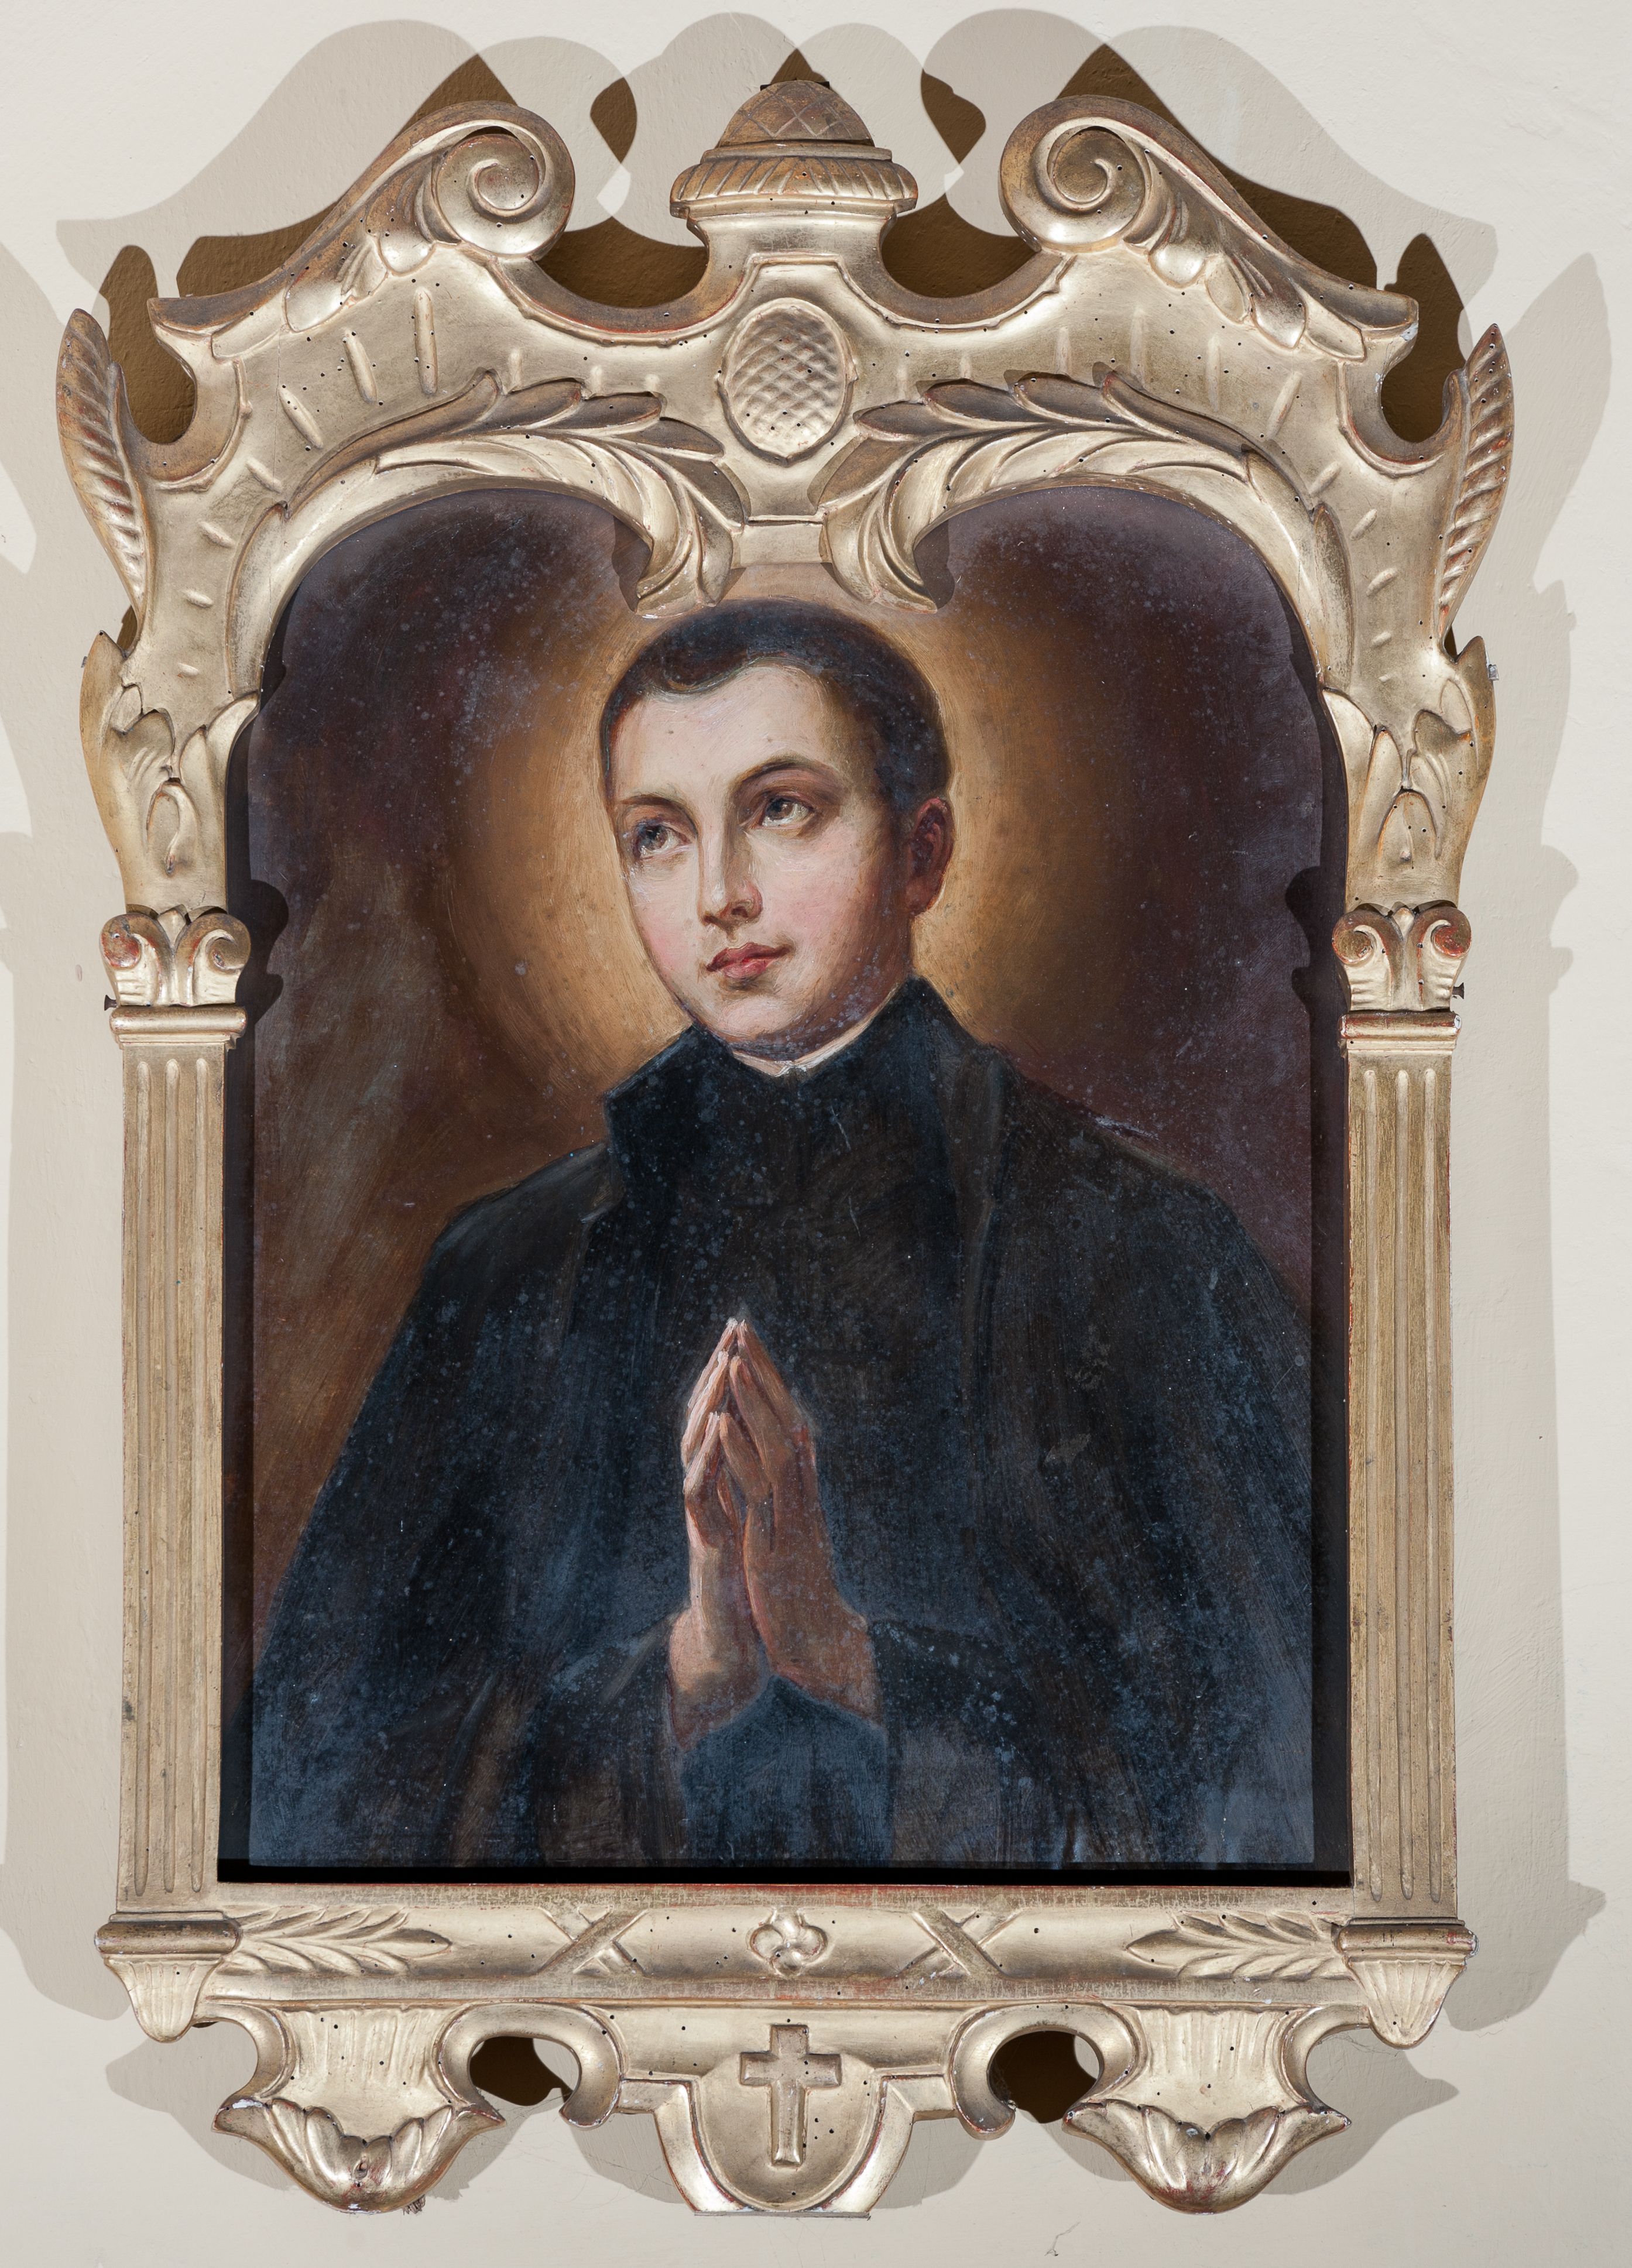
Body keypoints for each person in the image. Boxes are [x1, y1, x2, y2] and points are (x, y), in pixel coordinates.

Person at [248, 600, 1314, 1873]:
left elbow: (1270, 1803)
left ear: (921, 853)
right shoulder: (504, 1270)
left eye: (782, 809)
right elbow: (323, 1802)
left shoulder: (1138, 1249)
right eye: (657, 835)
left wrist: (849, 1660)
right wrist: (686, 1674)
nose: (720, 896)